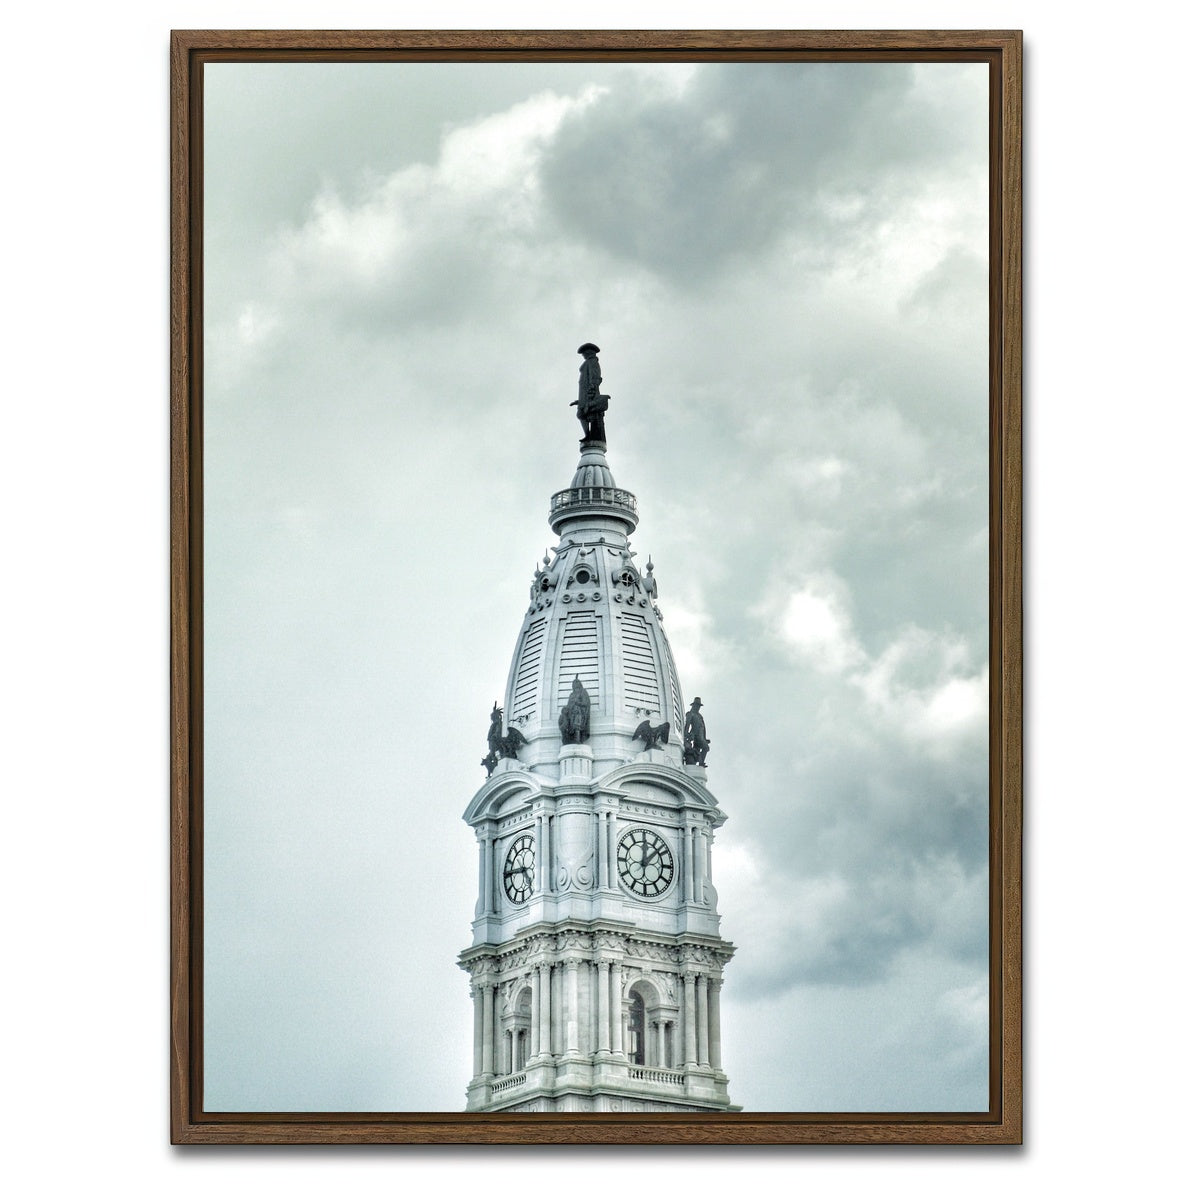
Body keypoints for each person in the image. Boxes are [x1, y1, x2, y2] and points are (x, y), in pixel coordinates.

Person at [572, 342, 609, 443]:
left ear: (588, 352)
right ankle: (588, 435)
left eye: (584, 353)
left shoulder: (592, 362)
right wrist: (579, 400)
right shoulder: (588, 362)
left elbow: (596, 377)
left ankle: (591, 435)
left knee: (588, 414)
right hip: (584, 393)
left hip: (589, 392)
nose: (583, 355)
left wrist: (592, 389)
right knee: (581, 414)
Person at [684, 697, 710, 766]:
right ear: (693, 705)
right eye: (697, 705)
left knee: (697, 752)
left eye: (699, 706)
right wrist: (686, 734)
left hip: (701, 737)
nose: (698, 707)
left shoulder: (700, 716)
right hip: (695, 736)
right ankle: (701, 763)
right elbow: (687, 725)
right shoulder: (690, 714)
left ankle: (695, 764)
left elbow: (703, 728)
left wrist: (705, 738)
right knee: (706, 748)